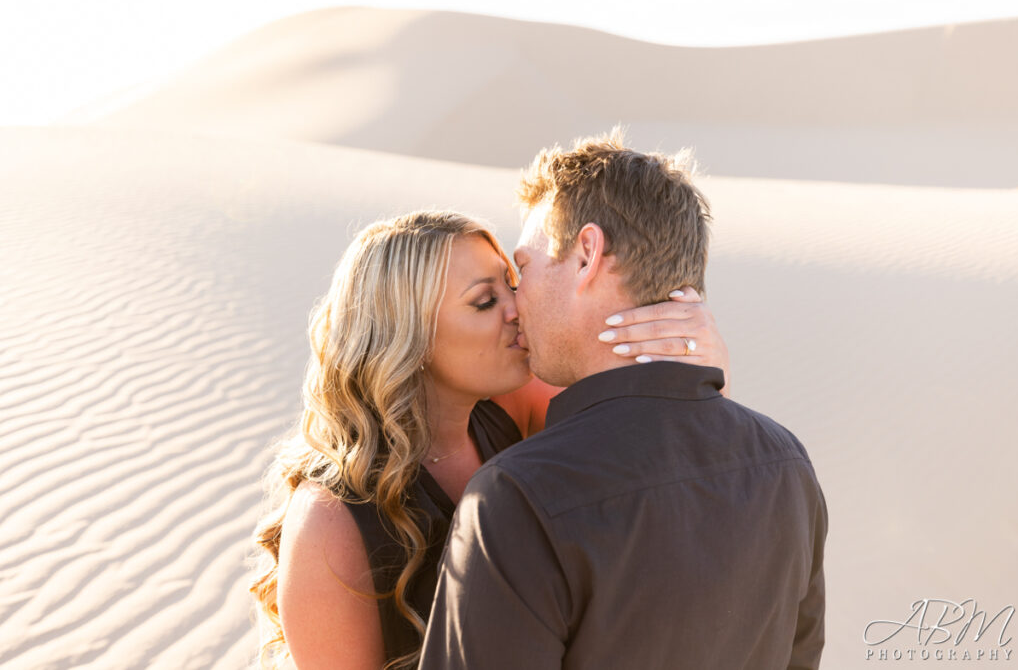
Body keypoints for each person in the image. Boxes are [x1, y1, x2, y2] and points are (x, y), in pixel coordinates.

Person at [417, 131, 828, 670]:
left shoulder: (517, 495)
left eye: (524, 269)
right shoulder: (785, 464)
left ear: (587, 254)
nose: (516, 300)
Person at [249, 211, 731, 669]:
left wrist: (707, 365)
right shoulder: (331, 521)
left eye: (513, 285)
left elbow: (665, 455)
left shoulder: (515, 408)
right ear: (408, 338)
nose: (518, 310)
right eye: (484, 301)